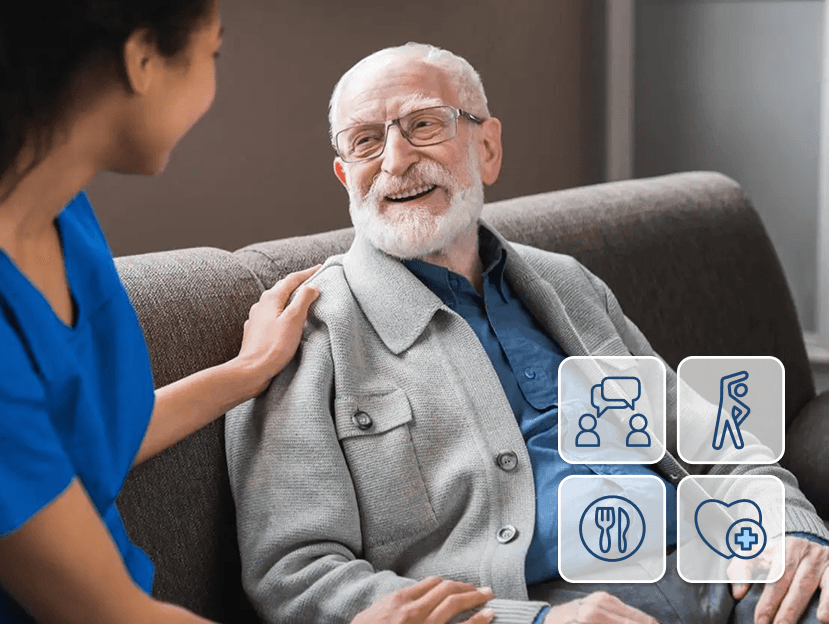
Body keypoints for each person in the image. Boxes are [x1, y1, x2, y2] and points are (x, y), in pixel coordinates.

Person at [224, 42, 829, 624]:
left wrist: (791, 525)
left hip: (727, 569)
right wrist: (529, 619)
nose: (394, 160)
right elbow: (297, 576)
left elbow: (708, 445)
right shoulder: (305, 333)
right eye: (365, 142)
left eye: (424, 126)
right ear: (344, 175)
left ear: (487, 146)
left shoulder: (567, 284)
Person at [0, 1, 344, 622]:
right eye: (212, 53)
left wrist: (247, 371)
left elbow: (73, 440)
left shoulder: (57, 209)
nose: (213, 84)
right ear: (142, 61)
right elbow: (115, 614)